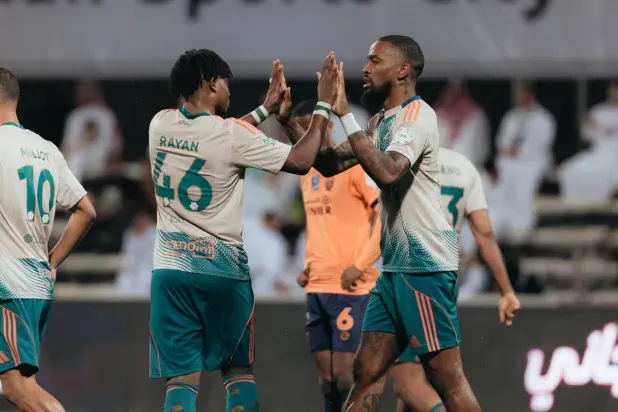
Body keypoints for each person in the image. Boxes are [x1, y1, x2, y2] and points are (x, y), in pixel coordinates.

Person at [282, 35, 481, 412]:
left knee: (445, 377)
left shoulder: (416, 116)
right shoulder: (379, 122)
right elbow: (329, 165)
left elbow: (388, 172)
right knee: (366, 371)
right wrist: (296, 118)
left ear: (402, 70)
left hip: (423, 265)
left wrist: (344, 115)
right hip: (393, 269)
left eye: (375, 61)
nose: (365, 68)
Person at [148, 49, 339, 412]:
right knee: (237, 375)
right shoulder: (231, 135)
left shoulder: (160, 124)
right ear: (210, 84)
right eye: (225, 82)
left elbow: (218, 136)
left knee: (181, 381)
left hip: (170, 273)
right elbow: (301, 160)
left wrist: (265, 110)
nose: (229, 88)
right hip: (222, 272)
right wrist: (324, 105)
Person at [391, 147, 521, 412]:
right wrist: (506, 291)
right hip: (445, 282)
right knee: (435, 384)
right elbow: (485, 234)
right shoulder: (465, 168)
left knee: (407, 383)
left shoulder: (403, 163)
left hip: (410, 276)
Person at [0, 67, 96, 411]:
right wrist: (51, 262)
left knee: (19, 389)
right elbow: (86, 210)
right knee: (14, 385)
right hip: (34, 281)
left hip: (7, 283)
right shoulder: (45, 149)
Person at [286, 100, 381, 412]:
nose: (303, 135)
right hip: (317, 286)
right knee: (326, 378)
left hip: (351, 287)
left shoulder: (352, 166)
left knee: (345, 376)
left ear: (326, 126)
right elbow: (319, 225)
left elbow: (382, 219)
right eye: (298, 130)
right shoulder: (305, 174)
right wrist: (307, 266)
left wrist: (360, 265)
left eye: (308, 128)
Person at [493, 80, 555, 242]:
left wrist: (520, 152)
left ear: (530, 95)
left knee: (524, 180)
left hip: (532, 160)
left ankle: (520, 226)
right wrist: (508, 150)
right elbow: (502, 141)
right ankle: (500, 222)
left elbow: (542, 143)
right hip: (511, 161)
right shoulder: (512, 116)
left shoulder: (543, 117)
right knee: (503, 170)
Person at [559, 80, 618, 200]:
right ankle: (580, 204)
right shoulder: (599, 111)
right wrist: (588, 125)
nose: (614, 95)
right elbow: (586, 134)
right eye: (612, 92)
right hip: (600, 151)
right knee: (569, 170)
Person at [434, 81, 490, 169]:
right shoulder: (438, 115)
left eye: (456, 94)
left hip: (469, 166)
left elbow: (482, 149)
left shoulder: (476, 115)